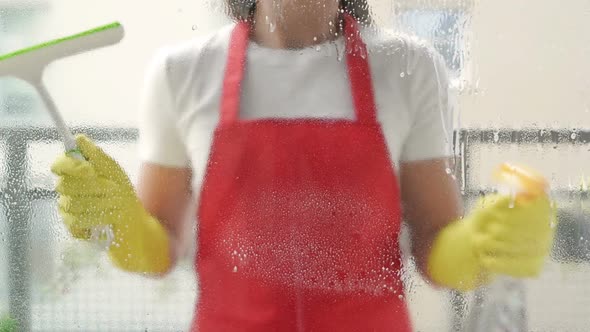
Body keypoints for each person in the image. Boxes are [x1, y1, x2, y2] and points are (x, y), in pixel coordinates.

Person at [50, 0, 556, 330]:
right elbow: (159, 248)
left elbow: (433, 241)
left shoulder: (410, 67)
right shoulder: (181, 72)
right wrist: (117, 222)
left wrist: (481, 246)